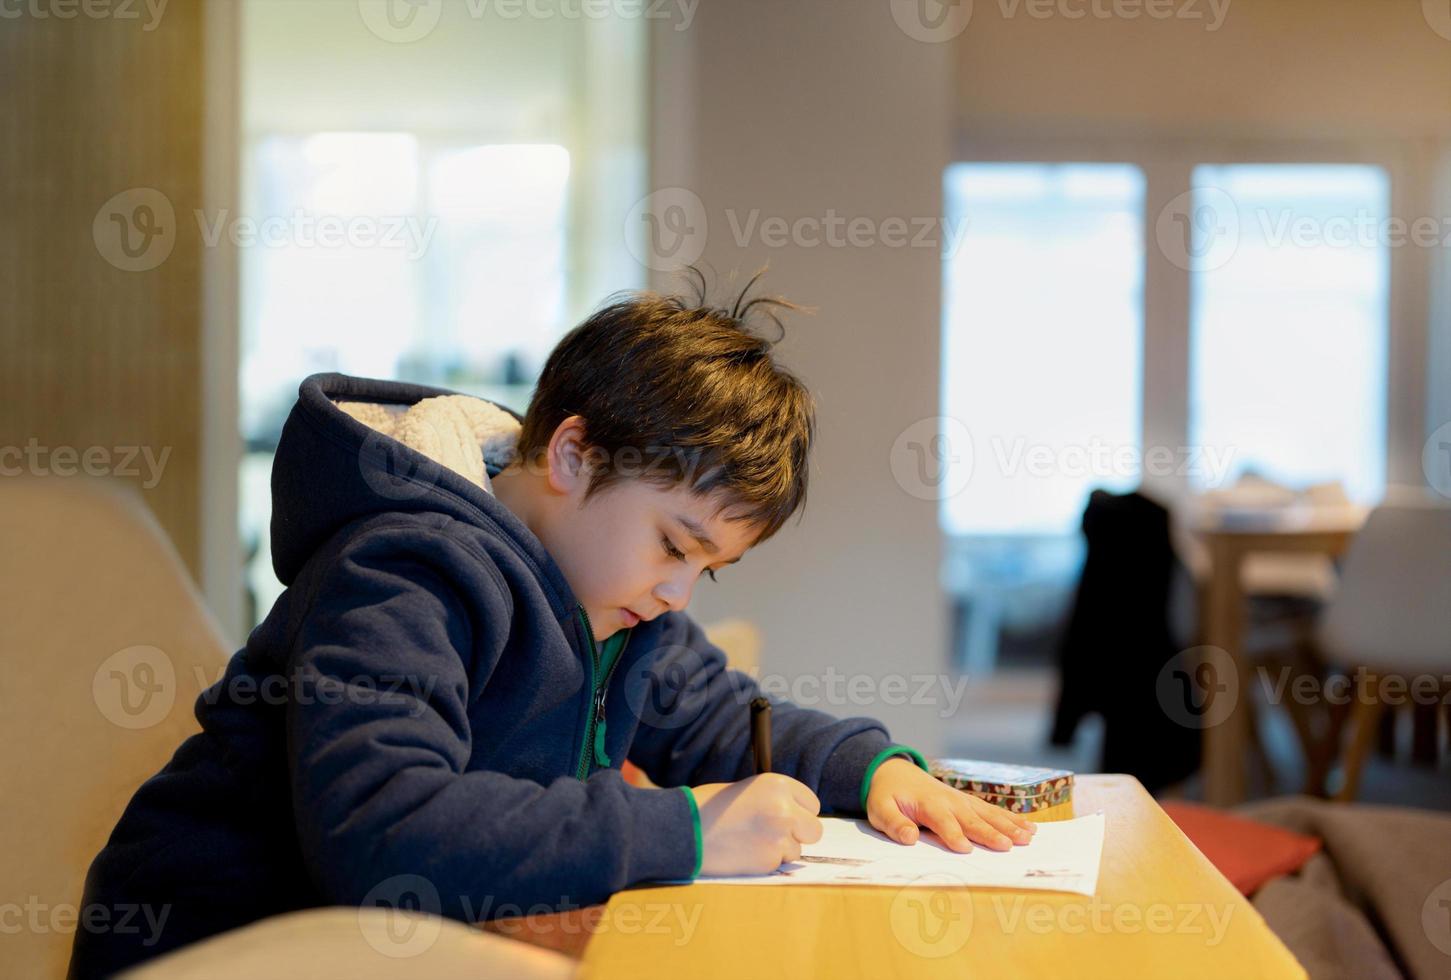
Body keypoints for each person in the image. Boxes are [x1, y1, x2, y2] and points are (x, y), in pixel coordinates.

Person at [69, 270, 1034, 978]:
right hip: (215, 947)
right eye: (673, 542)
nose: (678, 594)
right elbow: (383, 833)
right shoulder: (404, 571)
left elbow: (718, 717)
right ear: (573, 455)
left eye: (709, 567)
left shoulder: (602, 591)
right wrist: (686, 827)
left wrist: (872, 769)